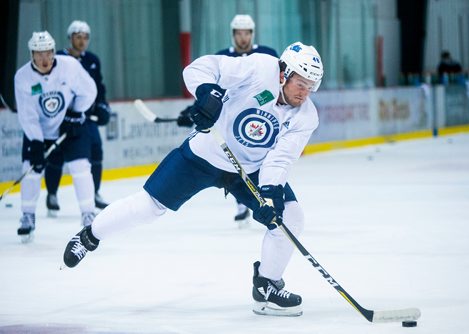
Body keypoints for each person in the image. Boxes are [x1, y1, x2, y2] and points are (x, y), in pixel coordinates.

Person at [62, 41, 323, 317]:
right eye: (301, 84)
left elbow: (280, 159)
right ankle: (90, 236)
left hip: (251, 169)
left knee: (290, 218)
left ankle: (266, 284)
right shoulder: (259, 68)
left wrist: (270, 193)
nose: (305, 93)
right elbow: (200, 68)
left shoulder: (306, 117)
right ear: (283, 73)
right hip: (205, 153)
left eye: (311, 87)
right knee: (148, 206)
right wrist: (207, 93)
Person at [177, 14, 279, 227]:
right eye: (239, 33)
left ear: (252, 33)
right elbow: (213, 92)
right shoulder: (223, 56)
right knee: (232, 157)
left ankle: (263, 200)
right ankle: (243, 202)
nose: (243, 38)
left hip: (260, 120)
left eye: (247, 33)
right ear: (233, 35)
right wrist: (193, 110)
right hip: (232, 119)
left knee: (258, 161)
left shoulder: (268, 56)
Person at [15, 31, 97, 241]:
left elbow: (90, 91)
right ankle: (27, 216)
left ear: (53, 51)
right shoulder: (23, 77)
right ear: (32, 54)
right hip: (40, 131)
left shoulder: (69, 66)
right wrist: (35, 141)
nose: (44, 58)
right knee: (31, 169)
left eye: (48, 53)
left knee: (81, 167)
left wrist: (74, 113)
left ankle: (88, 214)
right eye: (39, 54)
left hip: (69, 127)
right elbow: (27, 114)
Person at [44, 20, 111, 215]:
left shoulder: (92, 59)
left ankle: (95, 193)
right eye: (78, 37)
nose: (82, 41)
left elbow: (98, 87)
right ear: (70, 37)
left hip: (85, 117)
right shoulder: (58, 59)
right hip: (60, 118)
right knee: (55, 155)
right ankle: (52, 194)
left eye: (85, 37)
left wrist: (102, 106)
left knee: (96, 150)